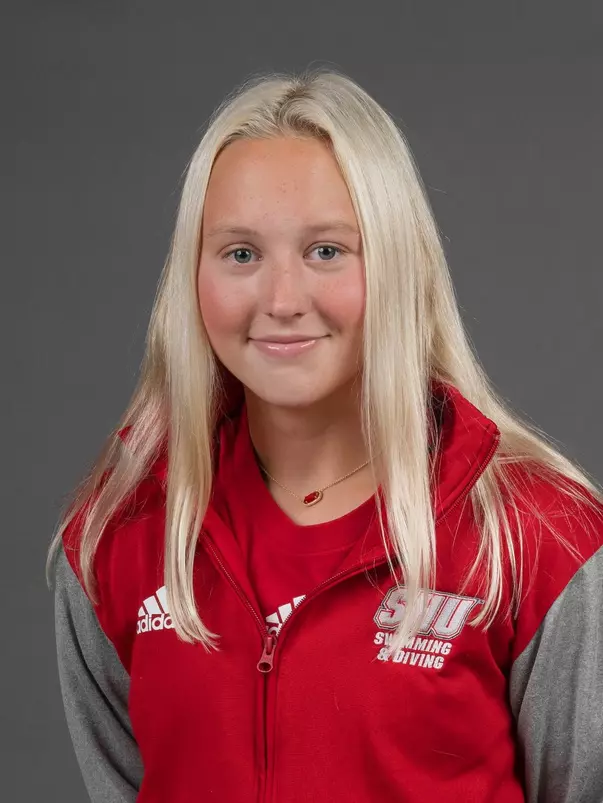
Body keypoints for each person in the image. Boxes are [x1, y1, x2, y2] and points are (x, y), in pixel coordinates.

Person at [48, 67, 603, 803]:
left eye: (326, 251)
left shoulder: (535, 536)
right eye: (240, 254)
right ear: (193, 277)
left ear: (398, 264)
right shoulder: (114, 537)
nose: (281, 300)